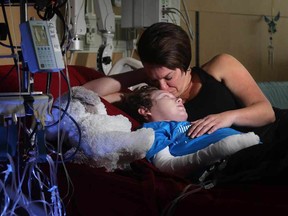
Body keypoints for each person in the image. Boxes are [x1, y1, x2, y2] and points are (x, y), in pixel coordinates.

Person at [83, 22, 278, 143]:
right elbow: (85, 93)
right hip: (243, 158)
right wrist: (146, 74)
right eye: (153, 79)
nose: (162, 87)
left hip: (273, 133)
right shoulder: (151, 99)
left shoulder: (221, 66)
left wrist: (227, 117)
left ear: (184, 64)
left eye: (169, 78)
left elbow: (266, 113)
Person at [122, 85, 260, 178]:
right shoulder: (153, 130)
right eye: (167, 97)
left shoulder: (186, 124)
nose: (179, 99)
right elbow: (166, 165)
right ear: (145, 111)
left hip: (251, 146)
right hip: (230, 160)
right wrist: (222, 149)